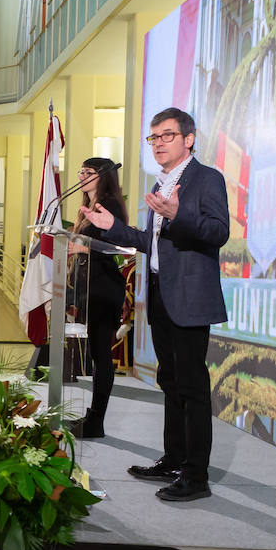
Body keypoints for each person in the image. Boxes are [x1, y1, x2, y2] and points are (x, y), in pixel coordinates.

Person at [80, 107, 229, 503]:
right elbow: (149, 243)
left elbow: (219, 232)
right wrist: (115, 228)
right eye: (154, 138)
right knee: (169, 381)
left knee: (193, 387)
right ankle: (173, 458)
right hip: (160, 292)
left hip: (190, 296)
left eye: (167, 135)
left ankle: (196, 476)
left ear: (188, 138)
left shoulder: (207, 179)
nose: (159, 143)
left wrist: (179, 215)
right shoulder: (161, 184)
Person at [64, 158, 129, 440]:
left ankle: (97, 421)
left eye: (88, 173)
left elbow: (115, 246)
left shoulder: (109, 206)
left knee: (101, 355)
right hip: (89, 289)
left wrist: (81, 248)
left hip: (104, 288)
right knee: (95, 354)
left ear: (103, 177)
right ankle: (92, 416)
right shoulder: (86, 209)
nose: (82, 177)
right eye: (81, 172)